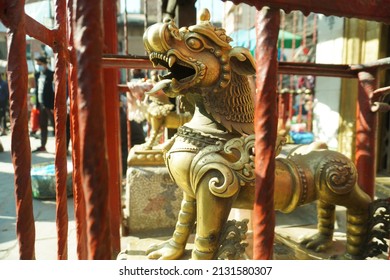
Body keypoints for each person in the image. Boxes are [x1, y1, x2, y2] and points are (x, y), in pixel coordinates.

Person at [33, 56, 55, 152]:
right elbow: (37, 90)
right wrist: (36, 104)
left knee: (56, 125)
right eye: (37, 64)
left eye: (39, 64)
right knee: (43, 125)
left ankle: (62, 146)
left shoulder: (51, 74)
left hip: (49, 105)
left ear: (45, 64)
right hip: (41, 104)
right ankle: (43, 145)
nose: (38, 66)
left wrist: (52, 106)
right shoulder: (37, 75)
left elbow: (53, 91)